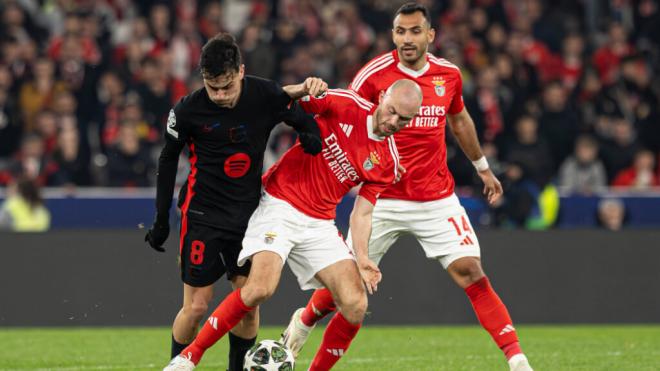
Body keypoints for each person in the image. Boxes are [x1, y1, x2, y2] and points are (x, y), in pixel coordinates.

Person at [280, 3, 533, 371]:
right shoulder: (372, 75)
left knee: (471, 272)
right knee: (345, 290)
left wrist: (482, 168)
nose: (407, 39)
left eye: (415, 31)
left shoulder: (448, 75)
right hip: (379, 198)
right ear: (393, 35)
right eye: (401, 31)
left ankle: (517, 359)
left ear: (430, 35)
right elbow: (347, 121)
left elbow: (459, 120)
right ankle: (304, 321)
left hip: (435, 197)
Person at [164, 79, 423, 371]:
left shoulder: (388, 160)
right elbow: (280, 101)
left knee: (355, 304)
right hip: (279, 203)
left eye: (404, 119)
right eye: (392, 111)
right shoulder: (346, 104)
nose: (393, 121)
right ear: (382, 96)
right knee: (260, 288)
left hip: (320, 222)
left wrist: (362, 257)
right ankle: (190, 356)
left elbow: (362, 213)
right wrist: (303, 87)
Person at [144, 32, 325, 371]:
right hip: (202, 214)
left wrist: (309, 135)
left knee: (247, 303)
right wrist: (161, 219)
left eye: (227, 86)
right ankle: (177, 365)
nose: (221, 95)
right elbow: (168, 159)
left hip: (249, 215)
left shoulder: (264, 94)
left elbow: (300, 117)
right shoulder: (188, 110)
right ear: (204, 79)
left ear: (241, 71)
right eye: (214, 88)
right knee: (197, 306)